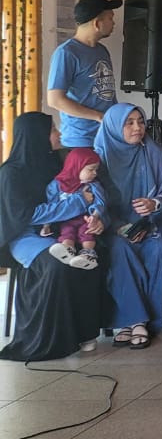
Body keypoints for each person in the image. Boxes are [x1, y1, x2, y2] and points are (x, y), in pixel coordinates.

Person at [0, 113, 106, 361]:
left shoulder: (56, 162)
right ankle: (50, 340)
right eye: (53, 130)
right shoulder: (11, 173)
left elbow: (88, 192)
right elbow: (28, 216)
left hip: (60, 231)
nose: (59, 134)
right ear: (37, 135)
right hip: (25, 237)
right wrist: (79, 203)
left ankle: (85, 333)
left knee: (93, 256)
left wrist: (97, 218)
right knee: (56, 264)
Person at [95, 103, 162, 350]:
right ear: (113, 127)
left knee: (157, 247)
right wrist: (120, 228)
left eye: (140, 122)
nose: (138, 128)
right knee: (119, 249)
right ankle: (135, 321)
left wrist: (155, 203)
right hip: (113, 226)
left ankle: (137, 323)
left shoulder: (154, 152)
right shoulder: (99, 158)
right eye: (129, 123)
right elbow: (94, 201)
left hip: (154, 222)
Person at [47, 0, 121, 148]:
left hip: (106, 135)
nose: (113, 23)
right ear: (97, 23)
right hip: (80, 140)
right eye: (110, 18)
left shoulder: (102, 51)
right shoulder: (66, 53)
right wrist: (98, 116)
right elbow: (55, 100)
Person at [37, 148, 106, 271]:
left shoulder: (93, 185)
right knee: (67, 231)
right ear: (76, 167)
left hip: (86, 218)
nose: (95, 173)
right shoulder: (57, 185)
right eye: (91, 169)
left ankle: (88, 254)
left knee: (86, 232)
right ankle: (67, 249)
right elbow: (52, 205)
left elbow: (100, 202)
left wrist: (95, 216)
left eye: (96, 169)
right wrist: (46, 225)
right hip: (66, 220)